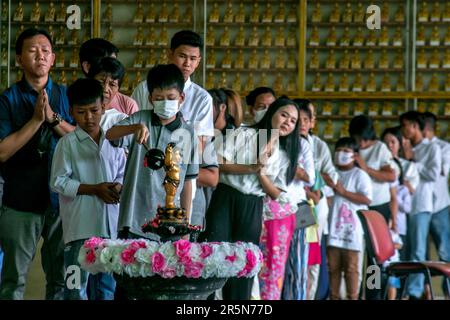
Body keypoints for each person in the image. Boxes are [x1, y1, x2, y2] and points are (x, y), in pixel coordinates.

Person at [0, 28, 75, 300]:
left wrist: (52, 119)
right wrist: (34, 121)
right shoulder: (7, 100)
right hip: (21, 201)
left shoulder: (67, 96)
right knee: (13, 280)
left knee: (61, 279)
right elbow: (2, 152)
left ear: (53, 58)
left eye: (45, 51)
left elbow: (84, 143)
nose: (40, 56)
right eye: (32, 51)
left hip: (62, 201)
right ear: (19, 59)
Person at [200, 98, 301, 300]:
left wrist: (261, 175)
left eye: (292, 121)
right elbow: (219, 162)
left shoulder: (284, 154)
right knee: (212, 253)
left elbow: (276, 193)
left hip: (253, 205)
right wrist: (250, 168)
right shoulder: (244, 133)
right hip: (226, 197)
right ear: (272, 112)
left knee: (243, 263)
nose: (287, 122)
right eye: (284, 115)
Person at [50, 78, 125, 300]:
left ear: (103, 106)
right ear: (71, 111)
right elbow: (58, 182)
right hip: (77, 234)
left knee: (106, 291)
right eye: (81, 112)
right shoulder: (68, 144)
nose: (89, 117)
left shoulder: (113, 141)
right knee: (74, 290)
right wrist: (95, 189)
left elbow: (122, 173)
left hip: (109, 233)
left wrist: (119, 185)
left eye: (94, 110)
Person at [106, 64, 199, 240]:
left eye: (170, 98)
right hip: (133, 218)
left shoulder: (187, 133)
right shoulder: (140, 118)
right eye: (159, 98)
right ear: (150, 99)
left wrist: (185, 225)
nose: (165, 103)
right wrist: (134, 128)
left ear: (181, 97)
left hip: (169, 223)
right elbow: (110, 134)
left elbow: (187, 182)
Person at [131, 30, 214, 149]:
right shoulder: (144, 89)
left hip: (180, 162)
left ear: (198, 61)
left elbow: (201, 146)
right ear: (170, 54)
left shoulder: (202, 99)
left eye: (193, 58)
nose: (187, 63)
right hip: (144, 156)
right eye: (182, 56)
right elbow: (128, 128)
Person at [296, 99, 339, 300]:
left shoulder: (319, 146)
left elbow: (332, 178)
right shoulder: (283, 141)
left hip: (314, 209)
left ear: (313, 122)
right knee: (292, 256)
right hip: (293, 204)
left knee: (312, 258)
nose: (303, 123)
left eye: (307, 119)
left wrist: (315, 176)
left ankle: (310, 296)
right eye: (299, 118)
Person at [399, 111, 442, 300]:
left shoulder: (432, 148)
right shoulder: (405, 147)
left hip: (421, 205)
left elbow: (434, 174)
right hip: (402, 206)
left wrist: (412, 161)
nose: (403, 130)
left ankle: (414, 292)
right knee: (404, 250)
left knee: (418, 250)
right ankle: (402, 289)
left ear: (415, 126)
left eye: (406, 125)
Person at [327, 137, 373, 300]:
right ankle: (334, 297)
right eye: (338, 150)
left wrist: (343, 192)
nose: (341, 154)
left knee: (352, 269)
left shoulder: (360, 175)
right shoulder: (331, 173)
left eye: (346, 151)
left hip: (352, 232)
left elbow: (367, 199)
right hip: (332, 230)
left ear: (355, 155)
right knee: (333, 268)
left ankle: (353, 297)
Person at [421, 112, 450, 297]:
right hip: (419, 208)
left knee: (445, 252)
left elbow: (440, 171)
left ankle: (448, 293)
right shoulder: (415, 148)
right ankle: (425, 292)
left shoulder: (444, 148)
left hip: (440, 206)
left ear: (425, 129)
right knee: (419, 255)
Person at [349, 115, 396, 225]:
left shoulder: (380, 148)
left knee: (376, 239)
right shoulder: (352, 147)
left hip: (378, 203)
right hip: (357, 201)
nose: (360, 142)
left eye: (363, 138)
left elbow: (391, 176)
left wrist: (366, 169)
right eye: (357, 138)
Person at [381, 126, 419, 260]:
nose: (389, 146)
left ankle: (397, 281)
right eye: (385, 143)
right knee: (377, 260)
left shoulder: (407, 166)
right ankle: (374, 282)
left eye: (393, 142)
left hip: (400, 220)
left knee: (399, 257)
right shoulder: (378, 166)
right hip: (381, 215)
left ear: (399, 143)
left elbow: (412, 190)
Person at [79, 38, 138, 115]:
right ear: (87, 67)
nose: (112, 68)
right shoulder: (70, 99)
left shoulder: (128, 105)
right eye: (106, 63)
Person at [87, 57, 128, 131]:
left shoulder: (122, 120)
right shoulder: (79, 112)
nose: (105, 89)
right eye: (100, 82)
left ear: (118, 89)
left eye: (112, 84)